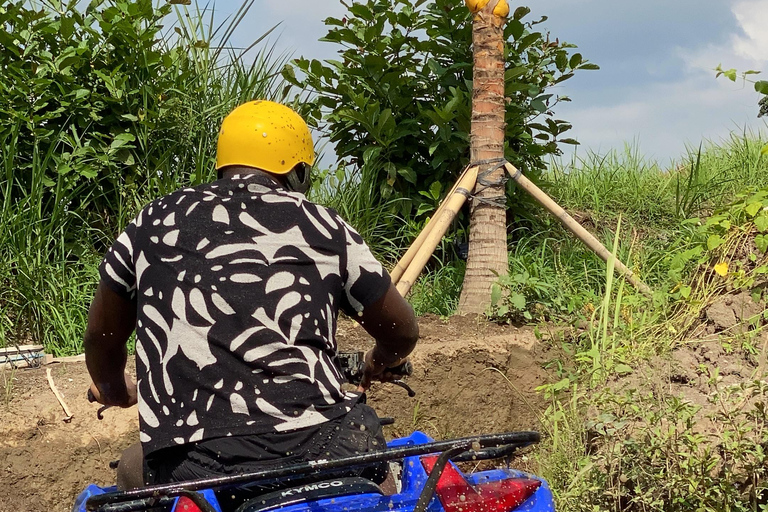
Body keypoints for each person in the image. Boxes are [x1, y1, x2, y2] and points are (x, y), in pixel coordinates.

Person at [84, 100, 419, 495]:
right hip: (324, 448)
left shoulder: (152, 222)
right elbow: (401, 332)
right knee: (381, 482)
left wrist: (113, 390)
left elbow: (102, 337)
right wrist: (375, 363)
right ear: (297, 171)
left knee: (130, 469)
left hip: (195, 467)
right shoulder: (324, 225)